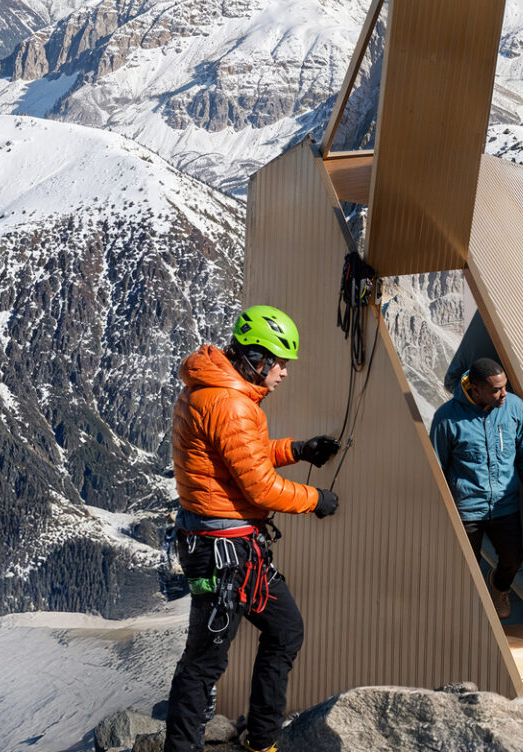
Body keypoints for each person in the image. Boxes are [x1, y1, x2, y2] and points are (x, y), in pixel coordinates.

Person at [164, 305, 342, 752]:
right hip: (225, 551)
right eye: (280, 362)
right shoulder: (229, 403)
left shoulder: (214, 390)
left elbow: (244, 454)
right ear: (255, 358)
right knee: (203, 664)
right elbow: (260, 488)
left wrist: (299, 449)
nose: (284, 373)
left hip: (232, 549)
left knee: (285, 630)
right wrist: (316, 500)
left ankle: (262, 740)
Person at [429, 357, 523, 619]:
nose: (504, 393)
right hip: (466, 509)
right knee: (465, 570)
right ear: (475, 389)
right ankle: (473, 617)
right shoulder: (446, 418)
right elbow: (436, 470)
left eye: (504, 386)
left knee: (513, 560)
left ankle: (499, 586)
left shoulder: (514, 408)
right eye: (496, 389)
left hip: (505, 505)